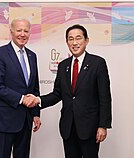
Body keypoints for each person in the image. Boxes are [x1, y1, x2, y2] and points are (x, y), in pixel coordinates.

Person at [26, 24, 112, 158]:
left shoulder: (98, 63)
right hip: (68, 127)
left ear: (86, 40)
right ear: (67, 42)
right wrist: (38, 100)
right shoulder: (63, 66)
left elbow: (105, 97)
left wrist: (103, 126)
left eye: (78, 38)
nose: (74, 42)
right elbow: (57, 94)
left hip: (90, 128)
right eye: (70, 39)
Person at [0, 18, 41, 158]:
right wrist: (21, 99)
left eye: (26, 31)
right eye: (19, 30)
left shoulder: (32, 56)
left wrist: (36, 113)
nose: (22, 34)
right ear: (11, 32)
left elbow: (34, 87)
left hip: (25, 120)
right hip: (4, 121)